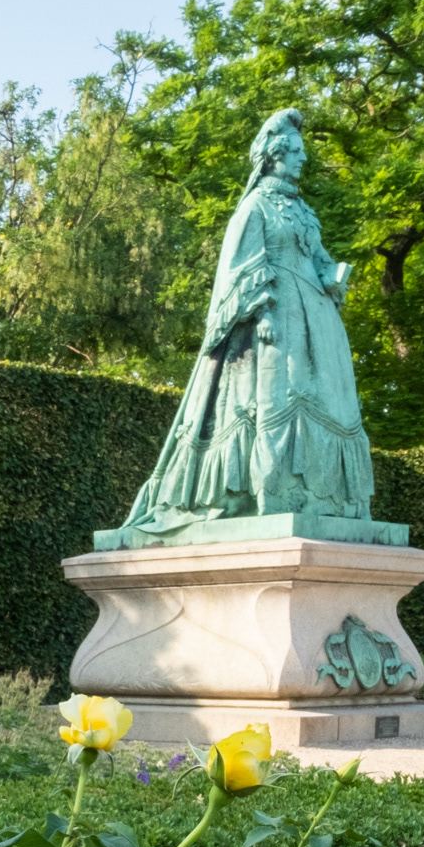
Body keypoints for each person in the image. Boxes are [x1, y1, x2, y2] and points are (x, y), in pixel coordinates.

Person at [120, 107, 373, 536]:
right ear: (273, 155)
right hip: (277, 325)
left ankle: (320, 498)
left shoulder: (304, 211)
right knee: (281, 399)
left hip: (320, 326)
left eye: (302, 151)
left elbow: (318, 258)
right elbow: (239, 268)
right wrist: (261, 310)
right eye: (293, 150)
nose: (302, 158)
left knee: (329, 405)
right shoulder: (255, 208)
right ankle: (270, 493)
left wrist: (332, 277)